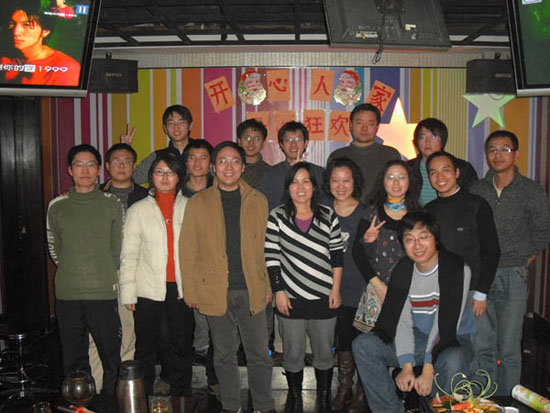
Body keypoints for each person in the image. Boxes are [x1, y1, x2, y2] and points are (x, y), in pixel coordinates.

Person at [180, 141, 275, 413]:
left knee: (259, 354)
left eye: (234, 161)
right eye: (222, 161)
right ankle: (231, 406)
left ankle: (264, 405)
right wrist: (191, 290)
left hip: (253, 289)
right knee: (223, 354)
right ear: (214, 167)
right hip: (215, 290)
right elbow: (188, 249)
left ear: (243, 167)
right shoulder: (198, 202)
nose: (228, 166)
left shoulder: (258, 200)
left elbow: (268, 247)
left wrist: (269, 285)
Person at [352, 211, 472, 413]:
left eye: (423, 237)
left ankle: (439, 409)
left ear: (435, 238)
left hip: (453, 339)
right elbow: (402, 321)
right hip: (419, 338)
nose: (417, 245)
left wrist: (428, 369)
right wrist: (406, 365)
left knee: (454, 359)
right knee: (363, 345)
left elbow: (445, 324)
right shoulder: (403, 270)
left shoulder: (456, 269)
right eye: (409, 239)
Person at [470, 130, 550, 395]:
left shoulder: (531, 190)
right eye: (493, 150)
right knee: (482, 344)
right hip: (481, 275)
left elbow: (542, 232)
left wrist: (522, 259)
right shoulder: (477, 189)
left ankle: (508, 401)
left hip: (513, 274)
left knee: (508, 346)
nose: (498, 155)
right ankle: (485, 400)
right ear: (486, 155)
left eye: (505, 149)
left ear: (516, 154)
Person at [119, 150, 196, 412]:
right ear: (151, 176)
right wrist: (129, 293)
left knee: (181, 344)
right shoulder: (138, 210)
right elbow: (129, 255)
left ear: (179, 176)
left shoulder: (190, 206)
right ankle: (144, 397)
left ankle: (181, 396)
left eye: (170, 172)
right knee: (146, 346)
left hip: (181, 288)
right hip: (147, 289)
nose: (165, 177)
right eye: (159, 172)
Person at [265, 162, 343, 413]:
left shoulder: (327, 215)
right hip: (290, 298)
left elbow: (337, 255)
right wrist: (278, 291)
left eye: (306, 181)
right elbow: (272, 257)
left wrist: (336, 290)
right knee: (292, 353)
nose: (300, 187)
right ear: (288, 187)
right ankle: (295, 397)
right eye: (295, 182)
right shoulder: (277, 216)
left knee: (324, 353)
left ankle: (324, 398)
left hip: (324, 297)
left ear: (313, 186)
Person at [47, 144, 123, 395]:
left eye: (91, 164)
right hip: (68, 293)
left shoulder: (111, 204)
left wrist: (102, 272)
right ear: (70, 170)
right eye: (78, 165)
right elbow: (55, 248)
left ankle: (111, 403)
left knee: (111, 357)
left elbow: (117, 247)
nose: (85, 170)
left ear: (99, 170)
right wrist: (75, 270)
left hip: (103, 292)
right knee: (74, 359)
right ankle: (80, 402)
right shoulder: (57, 206)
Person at [424, 151, 500, 363]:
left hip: (475, 292)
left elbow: (492, 251)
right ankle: (456, 386)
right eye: (433, 172)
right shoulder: (429, 211)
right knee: (450, 349)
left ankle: (485, 386)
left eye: (445, 170)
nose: (440, 177)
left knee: (483, 348)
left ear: (457, 173)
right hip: (443, 292)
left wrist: (481, 293)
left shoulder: (477, 204)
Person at [87, 143, 148, 393]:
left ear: (134, 166)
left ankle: (125, 387)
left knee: (129, 331)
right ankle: (96, 386)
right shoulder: (93, 195)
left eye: (127, 161)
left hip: (132, 273)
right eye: (116, 161)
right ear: (106, 166)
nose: (121, 166)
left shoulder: (146, 197)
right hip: (99, 272)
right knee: (95, 332)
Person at [323, 158, 367, 413]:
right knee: (343, 341)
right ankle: (344, 387)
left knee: (362, 341)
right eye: (335, 180)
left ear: (355, 182)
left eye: (346, 180)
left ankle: (362, 391)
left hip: (361, 289)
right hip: (332, 289)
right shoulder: (321, 211)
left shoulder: (367, 212)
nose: (341, 186)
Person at [326, 103, 401, 204]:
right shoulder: (337, 156)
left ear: (377, 127)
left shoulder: (390, 155)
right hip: (346, 211)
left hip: (383, 210)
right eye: (359, 123)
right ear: (351, 125)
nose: (364, 128)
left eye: (370, 123)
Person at [1, 4, 80, 85]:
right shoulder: (4, 58)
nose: (15, 32)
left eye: (27, 24)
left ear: (45, 31)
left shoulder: (67, 68)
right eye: (12, 23)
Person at [408, 118, 478, 206]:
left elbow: (473, 200)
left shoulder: (463, 168)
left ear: (443, 141)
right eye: (423, 137)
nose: (427, 142)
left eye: (433, 137)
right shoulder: (408, 168)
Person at [260, 121, 327, 211]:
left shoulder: (319, 173)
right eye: (288, 140)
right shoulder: (270, 174)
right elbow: (262, 206)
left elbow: (325, 205)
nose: (293, 145)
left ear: (306, 143)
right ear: (281, 145)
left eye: (298, 140)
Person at [120, 105, 194, 184]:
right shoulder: (158, 156)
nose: (176, 127)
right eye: (171, 123)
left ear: (190, 125)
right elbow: (133, 178)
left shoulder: (201, 152)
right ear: (165, 128)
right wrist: (125, 150)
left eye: (181, 122)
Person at [237, 118, 270, 189]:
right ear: (239, 141)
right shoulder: (230, 169)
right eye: (247, 138)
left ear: (263, 143)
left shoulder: (270, 172)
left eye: (256, 139)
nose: (251, 143)